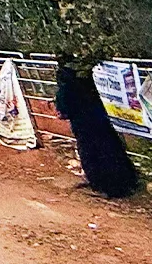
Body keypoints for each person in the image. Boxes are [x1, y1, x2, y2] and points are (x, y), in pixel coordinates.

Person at [56, 63, 140, 198]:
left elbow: (63, 112)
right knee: (111, 150)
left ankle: (102, 186)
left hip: (83, 126)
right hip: (102, 123)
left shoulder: (65, 89)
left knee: (92, 155)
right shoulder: (90, 84)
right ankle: (127, 183)